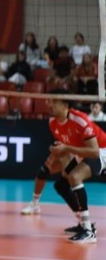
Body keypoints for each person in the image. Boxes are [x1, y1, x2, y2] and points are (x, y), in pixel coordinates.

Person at [44, 92, 106, 243]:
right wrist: (55, 151)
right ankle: (84, 223)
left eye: (54, 101)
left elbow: (94, 151)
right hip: (83, 152)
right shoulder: (52, 122)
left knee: (75, 177)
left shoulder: (80, 120)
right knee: (61, 185)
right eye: (49, 101)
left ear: (65, 105)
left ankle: (88, 232)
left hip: (101, 149)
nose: (49, 104)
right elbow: (65, 146)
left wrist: (66, 148)